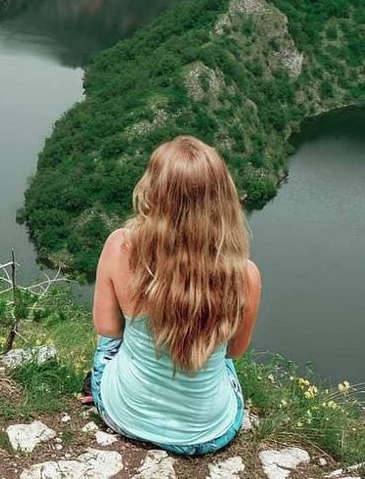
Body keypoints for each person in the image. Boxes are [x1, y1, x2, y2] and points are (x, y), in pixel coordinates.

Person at [85, 135, 261, 456]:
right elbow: (235, 351)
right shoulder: (245, 275)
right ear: (222, 199)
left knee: (110, 345)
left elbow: (108, 330)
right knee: (220, 360)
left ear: (152, 191)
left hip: (123, 415)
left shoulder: (120, 247)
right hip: (210, 433)